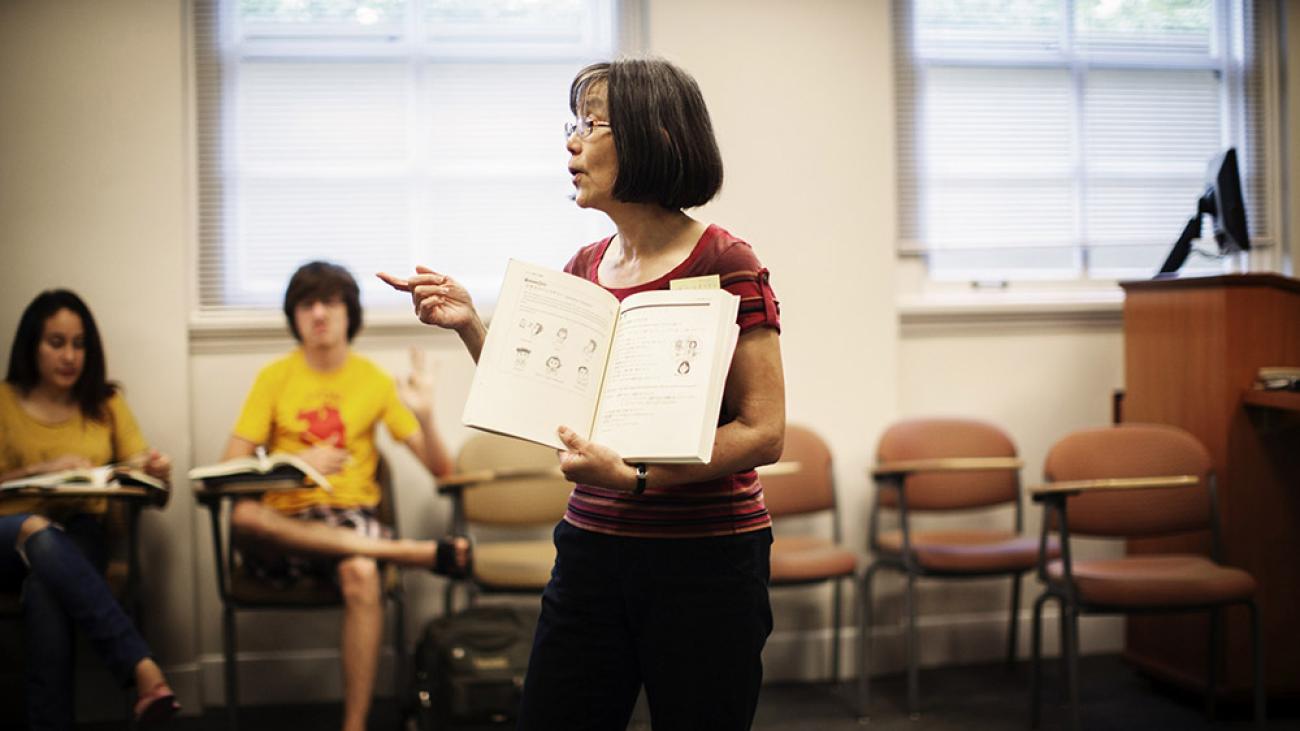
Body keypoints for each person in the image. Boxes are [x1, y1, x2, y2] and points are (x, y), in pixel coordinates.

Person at [380, 57, 785, 730]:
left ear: (655, 135)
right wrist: (470, 323)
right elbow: (546, 400)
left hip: (707, 558)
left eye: (592, 125)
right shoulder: (585, 267)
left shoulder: (725, 262)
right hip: (591, 547)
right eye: (573, 124)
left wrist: (638, 479)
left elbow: (764, 431)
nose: (571, 143)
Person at [220, 260, 469, 731]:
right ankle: (406, 552)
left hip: (349, 518)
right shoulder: (274, 378)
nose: (318, 313)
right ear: (294, 315)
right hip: (284, 530)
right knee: (243, 517)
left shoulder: (372, 380)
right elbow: (227, 471)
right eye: (307, 303)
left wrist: (426, 416)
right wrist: (295, 463)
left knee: (361, 571)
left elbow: (443, 471)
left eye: (330, 302)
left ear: (349, 312)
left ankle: (353, 727)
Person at [0, 289, 180, 729]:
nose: (69, 356)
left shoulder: (106, 403)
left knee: (45, 589)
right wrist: (41, 469)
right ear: (32, 345)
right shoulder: (3, 401)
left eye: (79, 344)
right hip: (6, 534)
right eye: (56, 343)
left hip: (82, 534)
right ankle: (142, 668)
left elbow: (153, 492)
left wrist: (156, 474)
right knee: (35, 528)